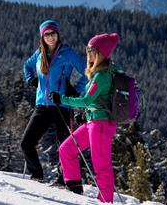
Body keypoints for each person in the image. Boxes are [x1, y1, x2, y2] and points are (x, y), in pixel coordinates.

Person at [50, 33, 120, 202]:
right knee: (67, 149)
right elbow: (94, 100)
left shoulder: (102, 76)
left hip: (101, 125)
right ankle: (74, 190)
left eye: (92, 50)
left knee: (101, 166)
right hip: (93, 122)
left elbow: (87, 99)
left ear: (101, 53)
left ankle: (105, 201)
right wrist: (86, 114)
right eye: (87, 49)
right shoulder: (98, 73)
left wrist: (62, 99)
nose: (88, 53)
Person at [22, 19, 87, 184]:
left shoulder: (67, 53)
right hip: (42, 105)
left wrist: (76, 89)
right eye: (47, 34)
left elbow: (89, 71)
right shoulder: (39, 54)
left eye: (53, 33)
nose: (51, 37)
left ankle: (64, 179)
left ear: (58, 34)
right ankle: (36, 176)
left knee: (65, 146)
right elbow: (27, 66)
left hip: (61, 105)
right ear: (42, 37)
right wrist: (31, 80)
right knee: (26, 143)